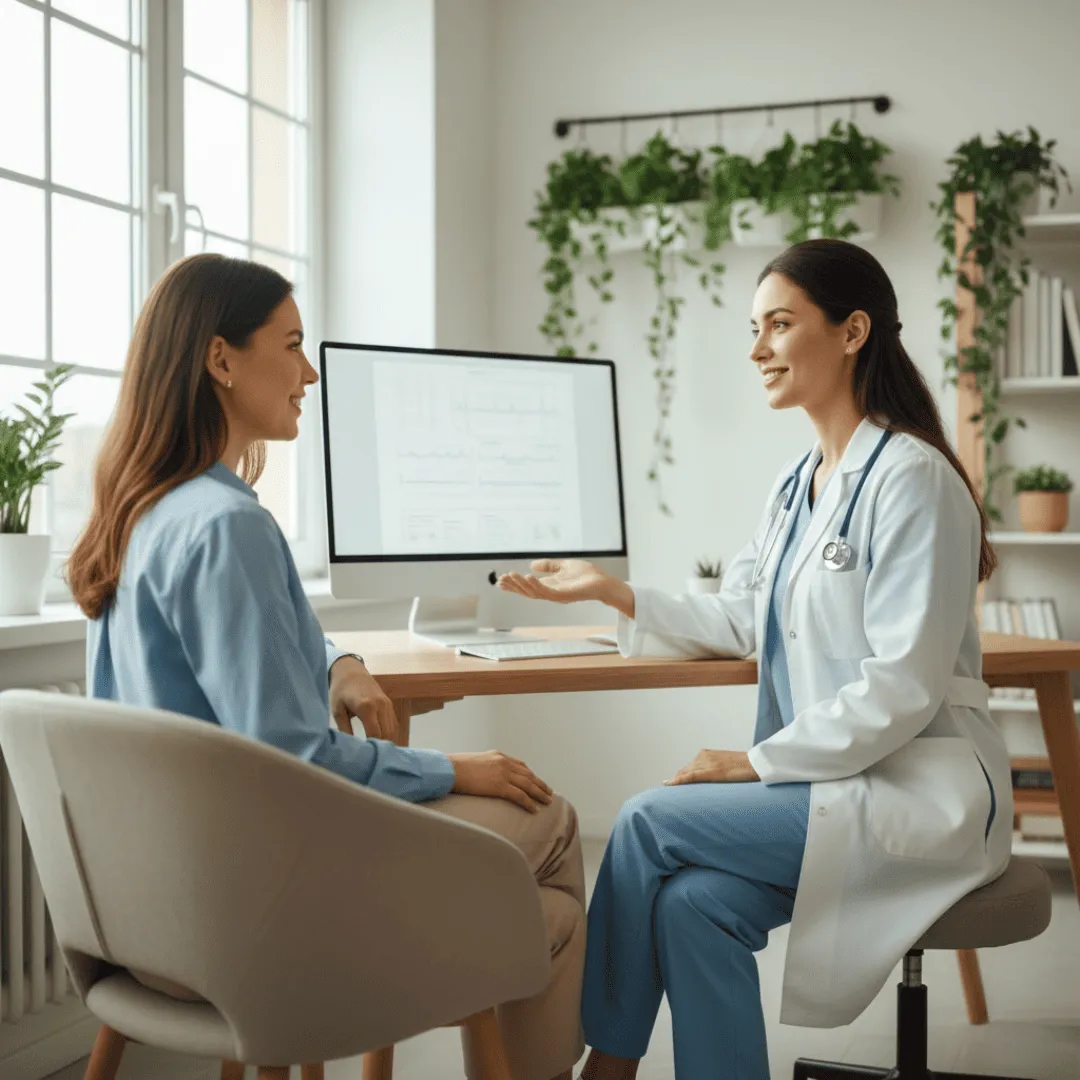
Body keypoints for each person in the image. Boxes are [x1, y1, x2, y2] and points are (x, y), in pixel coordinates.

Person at [498, 238, 1011, 1080]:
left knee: (646, 821)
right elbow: (744, 615)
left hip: (919, 791)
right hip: (834, 787)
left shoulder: (912, 479)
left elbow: (904, 685)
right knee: (692, 904)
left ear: (853, 332)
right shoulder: (796, 483)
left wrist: (753, 762)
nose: (757, 349)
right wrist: (613, 592)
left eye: (779, 324)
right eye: (754, 328)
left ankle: (606, 1068)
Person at [65, 253, 585, 1080]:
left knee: (536, 909)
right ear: (221, 359)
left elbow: (262, 642)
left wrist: (339, 659)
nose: (309, 373)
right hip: (247, 927)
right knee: (551, 827)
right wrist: (454, 767)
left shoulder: (140, 511)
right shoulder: (230, 527)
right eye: (292, 345)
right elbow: (297, 757)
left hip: (144, 921)